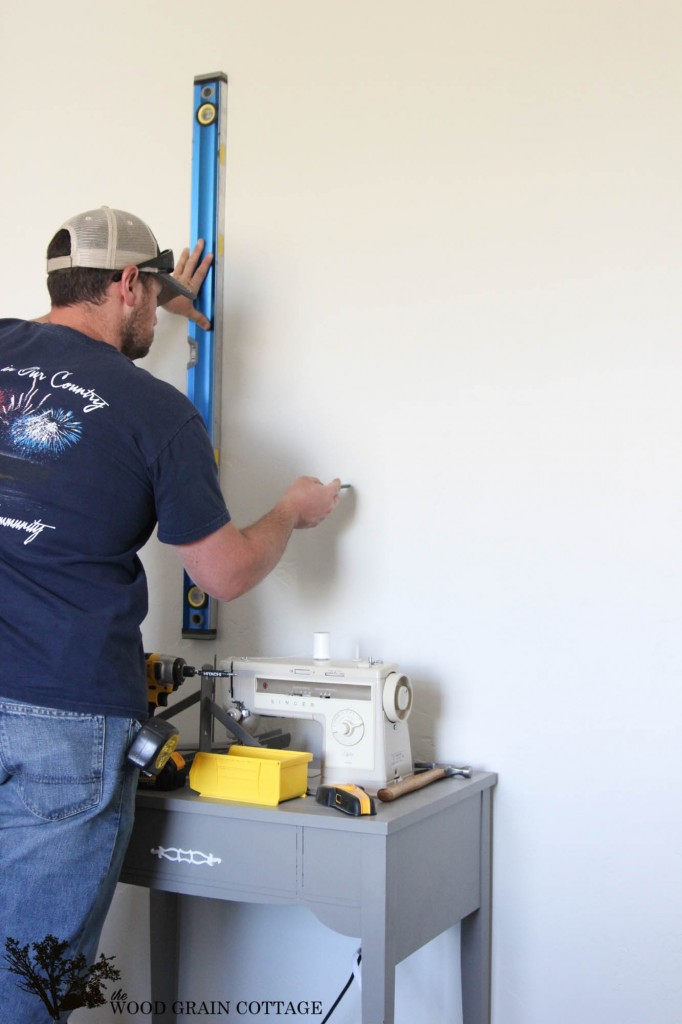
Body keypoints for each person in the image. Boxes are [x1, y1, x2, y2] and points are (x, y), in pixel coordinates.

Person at [0, 206, 341, 1021]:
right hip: (65, 718)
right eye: (148, 292)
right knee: (24, 984)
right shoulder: (159, 417)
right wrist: (291, 511)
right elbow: (221, 573)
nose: (155, 310)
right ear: (125, 284)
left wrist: (165, 306)